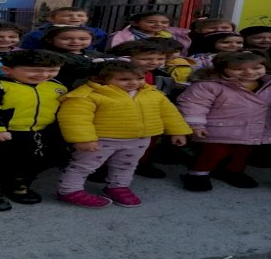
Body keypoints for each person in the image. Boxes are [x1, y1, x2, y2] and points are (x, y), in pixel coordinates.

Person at [57, 61, 192, 208]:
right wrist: (83, 139)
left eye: (140, 78)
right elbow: (75, 118)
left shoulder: (152, 93)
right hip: (101, 140)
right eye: (124, 79)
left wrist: (178, 131)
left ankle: (117, 187)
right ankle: (69, 190)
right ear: (100, 78)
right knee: (83, 166)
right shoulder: (86, 95)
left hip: (138, 140)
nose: (134, 83)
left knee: (126, 165)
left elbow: (169, 114)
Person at [0, 50, 68, 212]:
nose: (44, 75)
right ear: (7, 69)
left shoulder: (57, 86)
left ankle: (17, 185)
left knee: (29, 163)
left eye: (52, 70)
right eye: (35, 70)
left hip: (36, 134)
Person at [177, 51, 271, 191]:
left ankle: (233, 171)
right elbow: (194, 105)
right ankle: (198, 174)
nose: (249, 72)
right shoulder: (209, 85)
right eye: (238, 69)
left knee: (242, 154)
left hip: (253, 130)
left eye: (256, 68)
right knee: (212, 154)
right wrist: (196, 125)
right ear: (222, 69)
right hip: (217, 130)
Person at [106, 40, 186, 178]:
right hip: (119, 118)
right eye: (145, 59)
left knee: (146, 144)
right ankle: (104, 167)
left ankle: (141, 163)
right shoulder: (111, 75)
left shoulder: (160, 75)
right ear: (126, 58)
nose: (154, 62)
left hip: (149, 118)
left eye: (160, 59)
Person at [38, 25, 115, 89]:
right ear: (50, 39)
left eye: (83, 39)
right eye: (66, 39)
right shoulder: (51, 55)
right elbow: (81, 68)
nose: (75, 42)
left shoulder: (95, 54)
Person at [20, 7, 107, 51]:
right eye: (67, 15)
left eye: (80, 15)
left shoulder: (97, 33)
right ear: (51, 19)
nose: (75, 18)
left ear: (87, 18)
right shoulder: (37, 34)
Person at [107, 11, 191, 54]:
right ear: (135, 23)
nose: (159, 24)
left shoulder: (171, 36)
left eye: (164, 22)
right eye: (151, 22)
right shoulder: (121, 37)